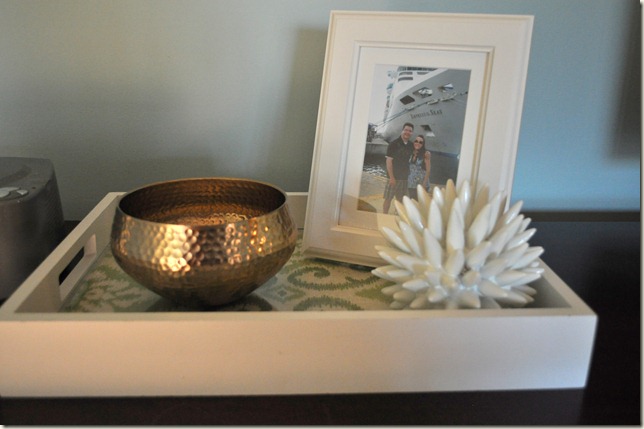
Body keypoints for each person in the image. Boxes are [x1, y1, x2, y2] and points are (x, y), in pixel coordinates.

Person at [383, 122, 414, 214]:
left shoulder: (411, 145)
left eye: (410, 131)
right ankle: (384, 215)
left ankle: (396, 215)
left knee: (400, 200)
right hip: (393, 177)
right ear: (402, 131)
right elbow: (389, 162)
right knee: (388, 199)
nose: (407, 132)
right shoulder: (393, 144)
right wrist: (391, 177)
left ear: (412, 133)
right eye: (406, 130)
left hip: (404, 178)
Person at [407, 135, 431, 200]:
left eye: (420, 142)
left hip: (421, 183)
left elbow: (428, 170)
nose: (418, 143)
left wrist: (424, 184)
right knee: (412, 201)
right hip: (411, 183)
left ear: (423, 144)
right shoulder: (411, 152)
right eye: (416, 141)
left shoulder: (426, 154)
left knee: (421, 202)